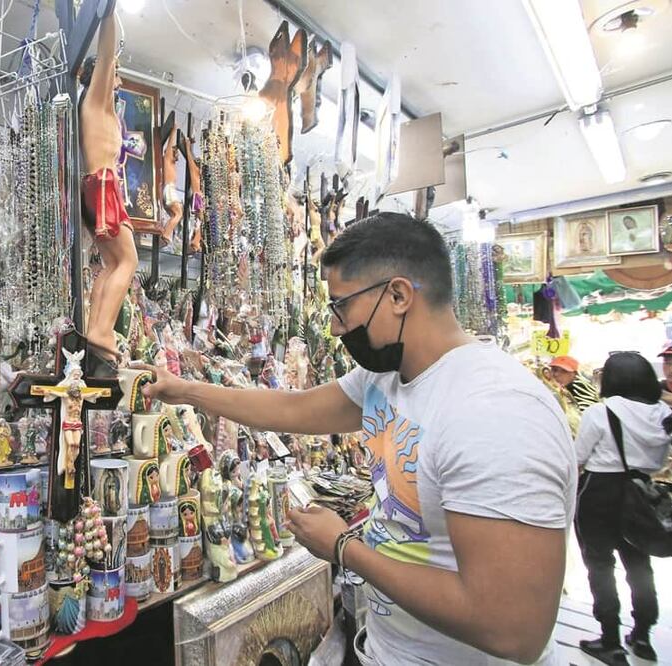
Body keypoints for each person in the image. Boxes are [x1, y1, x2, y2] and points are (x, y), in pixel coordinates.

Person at [142, 212, 576, 665]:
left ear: (398, 295)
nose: (333, 328)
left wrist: (344, 548)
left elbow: (512, 629)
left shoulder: (495, 412)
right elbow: (292, 408)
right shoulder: (385, 380)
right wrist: (181, 388)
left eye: (340, 306)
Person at [574, 351, 671, 664]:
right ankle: (642, 636)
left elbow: (577, 457)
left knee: (600, 566)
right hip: (642, 491)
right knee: (639, 564)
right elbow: (659, 460)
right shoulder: (662, 414)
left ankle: (610, 640)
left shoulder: (600, 414)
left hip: (599, 492)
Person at [78, 3, 138, 366]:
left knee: (112, 262)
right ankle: (101, 329)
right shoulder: (96, 100)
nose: (118, 79)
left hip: (98, 187)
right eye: (116, 73)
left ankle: (95, 328)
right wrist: (108, 11)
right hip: (102, 185)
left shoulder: (105, 110)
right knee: (127, 260)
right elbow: (106, 52)